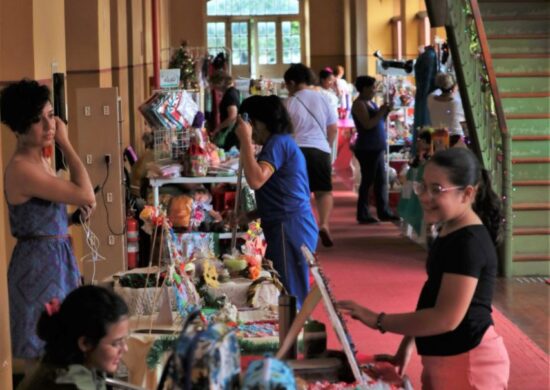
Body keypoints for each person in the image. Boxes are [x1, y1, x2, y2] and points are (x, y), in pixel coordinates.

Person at [337, 147, 510, 389]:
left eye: (436, 189)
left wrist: (378, 320)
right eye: (423, 186)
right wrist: (407, 344)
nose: (425, 197)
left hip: (468, 363)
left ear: (467, 193)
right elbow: (433, 295)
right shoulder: (451, 228)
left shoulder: (468, 243)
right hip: (446, 356)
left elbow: (445, 318)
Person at [0, 79, 96, 367]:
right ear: (18, 128)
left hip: (54, 257)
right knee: (42, 348)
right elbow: (86, 194)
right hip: (38, 267)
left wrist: (68, 220)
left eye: (50, 115)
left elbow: (36, 220)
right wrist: (65, 142)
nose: (49, 125)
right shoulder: (22, 168)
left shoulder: (40, 163)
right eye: (37, 120)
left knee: (61, 345)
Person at [234, 95, 318, 308]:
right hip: (288, 224)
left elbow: (255, 180)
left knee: (290, 294)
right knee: (284, 287)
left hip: (289, 226)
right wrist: (250, 215)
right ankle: (290, 334)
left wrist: (245, 140)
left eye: (249, 122)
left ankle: (293, 337)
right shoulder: (279, 142)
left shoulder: (278, 143)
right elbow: (280, 192)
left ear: (259, 122)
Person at [17, 285, 129, 390]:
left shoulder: (60, 363)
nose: (125, 348)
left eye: (124, 340)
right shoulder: (68, 384)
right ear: (85, 343)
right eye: (115, 343)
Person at [284, 63, 338, 247]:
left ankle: (304, 231)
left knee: (300, 193)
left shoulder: (289, 102)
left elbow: (286, 132)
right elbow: (333, 128)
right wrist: (327, 147)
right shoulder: (324, 98)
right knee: (324, 191)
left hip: (297, 151)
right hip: (320, 148)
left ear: (291, 83)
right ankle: (324, 224)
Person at [351, 75, 399, 224]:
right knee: (368, 180)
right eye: (372, 88)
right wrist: (380, 112)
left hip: (376, 145)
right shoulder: (359, 104)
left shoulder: (370, 102)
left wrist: (385, 112)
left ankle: (383, 211)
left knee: (381, 180)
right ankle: (363, 213)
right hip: (367, 147)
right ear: (364, 88)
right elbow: (367, 124)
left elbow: (378, 122)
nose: (374, 90)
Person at [427, 72, 466, 147]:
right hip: (457, 139)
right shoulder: (457, 103)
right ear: (454, 87)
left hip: (438, 139)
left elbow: (437, 91)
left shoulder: (430, 98)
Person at [210, 72, 241, 151]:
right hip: (232, 133)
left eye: (214, 85)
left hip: (229, 135)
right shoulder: (234, 92)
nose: (214, 88)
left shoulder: (230, 94)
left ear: (220, 83)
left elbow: (232, 116)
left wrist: (218, 128)